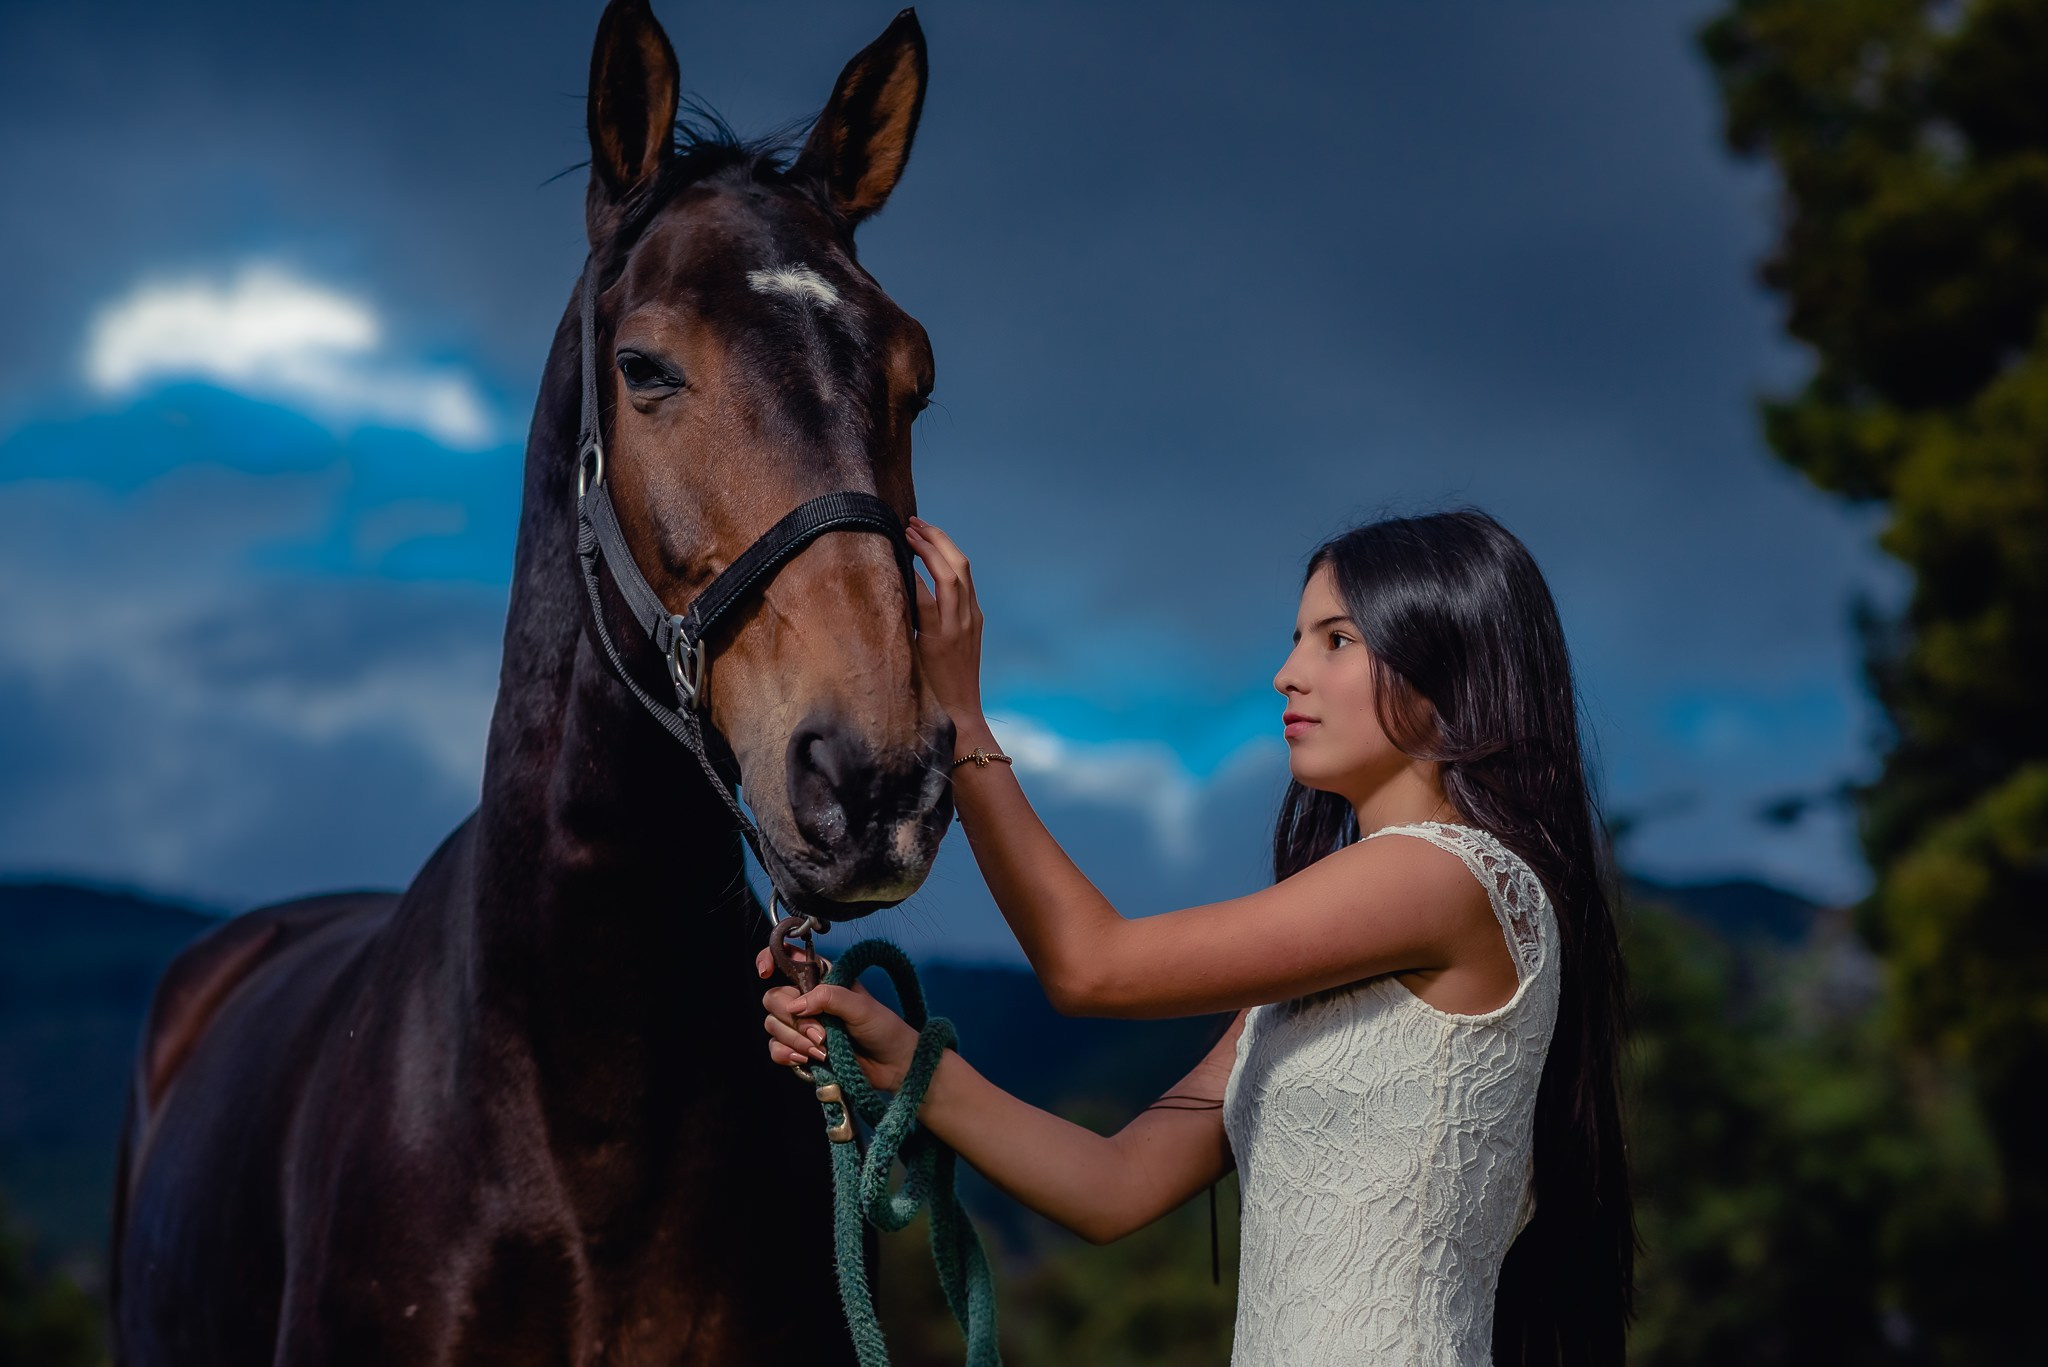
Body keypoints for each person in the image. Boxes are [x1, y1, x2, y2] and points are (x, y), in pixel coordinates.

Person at [759, 507, 1635, 1365]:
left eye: (1337, 640)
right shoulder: (1327, 960)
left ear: (1451, 663)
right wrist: (902, 1057)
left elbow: (1093, 966)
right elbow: (1114, 1185)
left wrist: (964, 719)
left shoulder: (1449, 877)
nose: (1288, 673)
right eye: (1296, 637)